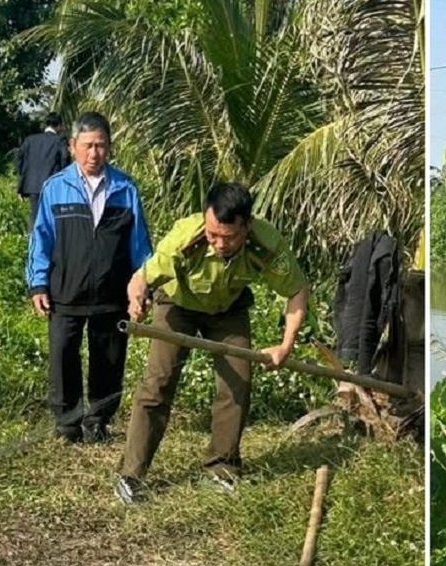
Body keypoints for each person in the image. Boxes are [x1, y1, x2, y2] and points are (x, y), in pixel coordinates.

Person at [115, 182, 310, 502]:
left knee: (238, 382)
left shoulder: (265, 243)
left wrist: (285, 345)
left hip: (228, 311)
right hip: (177, 306)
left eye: (228, 237)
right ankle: (132, 475)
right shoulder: (186, 235)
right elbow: (142, 278)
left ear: (247, 226)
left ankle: (221, 468)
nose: (219, 243)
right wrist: (136, 299)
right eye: (212, 234)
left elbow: (297, 290)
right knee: (158, 382)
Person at [25, 112, 152, 444]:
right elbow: (41, 239)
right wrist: (38, 283)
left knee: (108, 358)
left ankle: (98, 420)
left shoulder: (125, 188)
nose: (94, 153)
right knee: (63, 355)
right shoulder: (55, 188)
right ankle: (68, 423)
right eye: (88, 146)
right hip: (66, 290)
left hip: (112, 293)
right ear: (72, 147)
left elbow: (140, 244)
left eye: (101, 145)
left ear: (109, 148)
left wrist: (143, 284)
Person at [16, 112, 70, 225]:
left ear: (46, 124)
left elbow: (19, 157)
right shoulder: (60, 140)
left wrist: (24, 176)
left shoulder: (30, 140)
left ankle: (35, 241)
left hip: (32, 186)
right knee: (52, 220)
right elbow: (65, 158)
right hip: (52, 185)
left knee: (36, 219)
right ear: (59, 125)